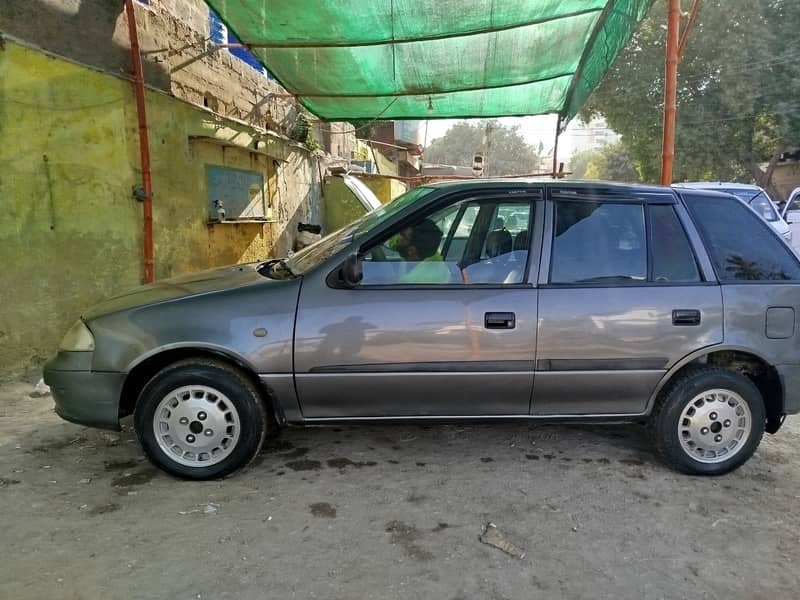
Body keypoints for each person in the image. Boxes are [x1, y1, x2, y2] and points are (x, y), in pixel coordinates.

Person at [391, 219, 452, 284]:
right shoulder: (427, 251)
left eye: (402, 235)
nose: (398, 237)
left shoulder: (418, 281)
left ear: (411, 250)